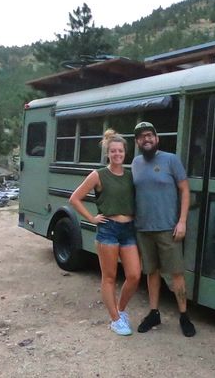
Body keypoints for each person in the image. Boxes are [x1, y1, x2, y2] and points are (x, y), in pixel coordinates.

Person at [69, 130, 140, 336]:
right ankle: (115, 320)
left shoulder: (129, 175)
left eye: (120, 151)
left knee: (134, 275)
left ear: (125, 153)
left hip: (128, 230)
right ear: (107, 153)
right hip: (108, 229)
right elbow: (75, 198)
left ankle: (121, 310)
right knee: (109, 277)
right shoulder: (98, 175)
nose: (117, 154)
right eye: (113, 151)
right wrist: (92, 218)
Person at [131, 121, 196, 337]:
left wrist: (182, 221)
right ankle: (153, 312)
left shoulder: (171, 160)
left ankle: (184, 316)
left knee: (176, 273)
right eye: (141, 137)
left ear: (157, 139)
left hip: (168, 228)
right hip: (143, 228)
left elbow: (185, 190)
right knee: (151, 272)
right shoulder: (136, 163)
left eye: (150, 135)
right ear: (137, 142)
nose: (146, 139)